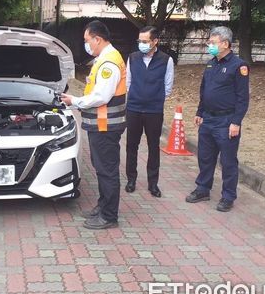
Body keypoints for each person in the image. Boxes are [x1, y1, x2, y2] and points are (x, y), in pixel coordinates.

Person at [61, 20, 127, 229]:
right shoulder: (105, 59)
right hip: (101, 125)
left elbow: (101, 97)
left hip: (106, 126)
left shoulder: (108, 63)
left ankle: (109, 216)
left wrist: (75, 101)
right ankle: (103, 205)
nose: (86, 45)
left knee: (107, 170)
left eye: (87, 40)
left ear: (97, 39)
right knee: (101, 168)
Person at [186, 26, 250, 212]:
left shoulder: (239, 66)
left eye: (213, 43)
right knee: (205, 157)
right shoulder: (211, 63)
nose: (210, 45)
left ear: (225, 44)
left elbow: (242, 97)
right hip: (208, 119)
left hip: (226, 121)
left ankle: (228, 196)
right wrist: (199, 112)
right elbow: (204, 91)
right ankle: (203, 189)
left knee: (228, 161)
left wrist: (236, 122)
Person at [124, 26, 174, 198]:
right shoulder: (133, 58)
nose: (142, 44)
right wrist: (136, 97)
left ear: (155, 42)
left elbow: (168, 86)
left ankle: (153, 183)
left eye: (145, 41)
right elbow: (128, 82)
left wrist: (155, 98)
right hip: (134, 108)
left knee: (154, 147)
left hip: (154, 110)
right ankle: (131, 179)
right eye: (140, 41)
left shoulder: (166, 60)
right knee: (132, 145)